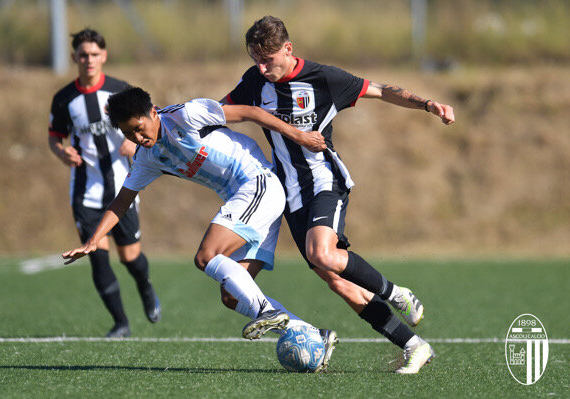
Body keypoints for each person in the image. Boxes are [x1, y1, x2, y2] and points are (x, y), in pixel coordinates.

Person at [222, 16, 456, 374]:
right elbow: (218, 111)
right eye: (256, 58)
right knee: (337, 281)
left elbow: (382, 90)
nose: (262, 66)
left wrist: (428, 104)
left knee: (322, 253)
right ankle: (414, 345)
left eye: (268, 58)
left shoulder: (324, 78)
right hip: (288, 196)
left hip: (323, 182)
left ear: (288, 49)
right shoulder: (254, 82)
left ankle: (397, 293)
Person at [62, 86, 338, 372]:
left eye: (139, 128)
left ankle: (269, 312)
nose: (137, 138)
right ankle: (312, 334)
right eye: (128, 134)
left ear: (153, 112)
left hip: (258, 184)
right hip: (250, 202)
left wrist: (299, 136)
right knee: (232, 296)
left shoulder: (187, 115)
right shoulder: (148, 157)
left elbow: (250, 112)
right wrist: (93, 240)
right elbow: (121, 201)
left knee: (206, 256)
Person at [48, 29, 160, 338]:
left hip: (121, 189)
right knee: (96, 255)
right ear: (74, 58)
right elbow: (55, 137)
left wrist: (136, 146)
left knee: (130, 257)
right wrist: (62, 151)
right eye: (83, 55)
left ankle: (146, 287)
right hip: (85, 193)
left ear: (104, 56)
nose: (89, 60)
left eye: (94, 54)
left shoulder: (119, 91)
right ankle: (121, 323)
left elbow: (147, 126)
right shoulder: (64, 99)